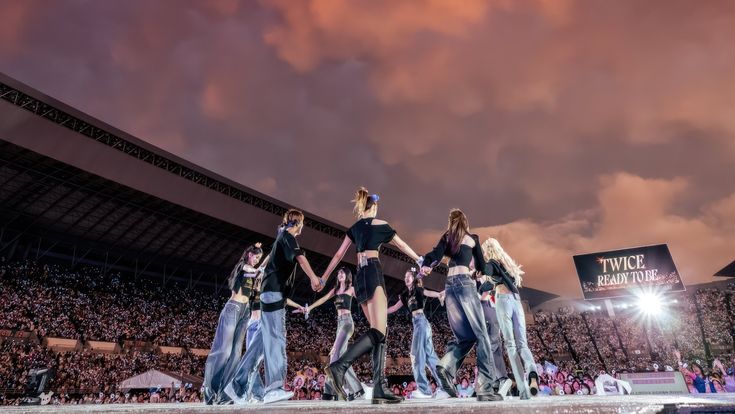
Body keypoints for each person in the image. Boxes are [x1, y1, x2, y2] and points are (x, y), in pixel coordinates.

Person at [321, 187, 423, 404]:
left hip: (359, 277)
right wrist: (419, 260)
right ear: (374, 207)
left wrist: (323, 277)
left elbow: (339, 255)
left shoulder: (355, 228)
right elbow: (402, 244)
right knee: (378, 331)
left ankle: (379, 387)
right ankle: (340, 367)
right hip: (373, 272)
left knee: (379, 331)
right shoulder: (381, 225)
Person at [225, 209, 323, 404]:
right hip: (274, 293)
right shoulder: (289, 236)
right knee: (277, 338)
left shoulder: (281, 237)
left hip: (270, 293)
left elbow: (271, 256)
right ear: (299, 224)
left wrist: (262, 268)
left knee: (260, 344)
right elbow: (300, 257)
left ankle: (236, 385)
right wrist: (313, 278)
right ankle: (274, 388)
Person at [420, 209, 503, 401]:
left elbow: (435, 254)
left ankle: (445, 366)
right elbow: (482, 267)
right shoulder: (472, 238)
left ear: (450, 223)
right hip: (465, 284)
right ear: (466, 222)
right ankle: (485, 387)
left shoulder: (448, 237)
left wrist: (426, 264)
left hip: (449, 287)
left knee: (466, 337)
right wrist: (487, 271)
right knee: (482, 335)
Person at [202, 243, 263, 404]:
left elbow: (256, 292)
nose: (257, 260)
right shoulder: (243, 267)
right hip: (233, 308)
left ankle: (224, 395)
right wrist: (258, 270)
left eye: (259, 258)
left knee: (236, 354)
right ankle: (209, 389)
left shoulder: (254, 275)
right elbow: (250, 270)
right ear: (249, 254)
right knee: (223, 351)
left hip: (245, 313)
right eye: (256, 256)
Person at [294, 267, 366, 400]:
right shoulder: (336, 290)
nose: (340, 274)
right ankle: (353, 391)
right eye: (338, 273)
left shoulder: (351, 289)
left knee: (335, 355)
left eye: (343, 272)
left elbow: (364, 302)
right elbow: (323, 299)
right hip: (339, 324)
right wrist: (308, 308)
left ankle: (331, 392)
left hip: (347, 323)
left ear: (348, 275)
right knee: (339, 357)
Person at [482, 237, 540, 399]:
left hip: (503, 301)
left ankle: (522, 389)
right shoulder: (507, 264)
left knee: (510, 345)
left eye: (484, 250)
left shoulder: (492, 262)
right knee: (523, 343)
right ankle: (533, 373)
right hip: (516, 301)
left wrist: (477, 263)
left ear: (488, 250)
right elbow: (493, 281)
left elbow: (486, 271)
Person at [387, 268, 448, 399]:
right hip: (419, 324)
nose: (406, 278)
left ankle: (425, 391)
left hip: (421, 322)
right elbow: (393, 308)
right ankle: (446, 386)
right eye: (405, 276)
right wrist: (380, 311)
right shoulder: (405, 295)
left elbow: (428, 292)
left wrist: (438, 294)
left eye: (409, 276)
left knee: (416, 355)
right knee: (430, 357)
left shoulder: (418, 290)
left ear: (414, 278)